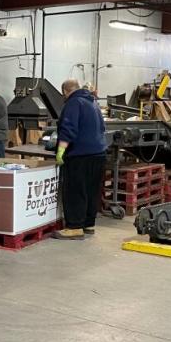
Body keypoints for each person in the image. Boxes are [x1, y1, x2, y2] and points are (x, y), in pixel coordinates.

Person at [53, 78, 107, 240]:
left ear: (65, 92)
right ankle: (88, 224)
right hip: (99, 154)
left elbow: (68, 129)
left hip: (80, 155)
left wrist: (60, 151)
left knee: (75, 191)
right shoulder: (93, 102)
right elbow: (102, 127)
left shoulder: (73, 103)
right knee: (91, 190)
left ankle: (74, 227)